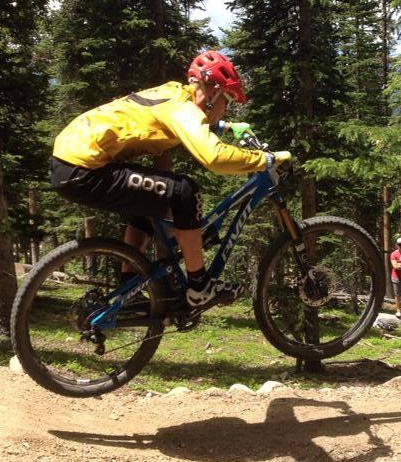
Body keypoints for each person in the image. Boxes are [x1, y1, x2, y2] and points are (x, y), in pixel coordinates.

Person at [50, 49, 291, 311]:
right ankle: (199, 287)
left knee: (145, 207)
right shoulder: (183, 109)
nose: (226, 110)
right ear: (213, 92)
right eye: (228, 101)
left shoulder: (174, 93)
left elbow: (182, 119)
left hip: (71, 161)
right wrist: (265, 159)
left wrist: (226, 127)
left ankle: (129, 286)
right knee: (184, 191)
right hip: (85, 166)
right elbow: (214, 158)